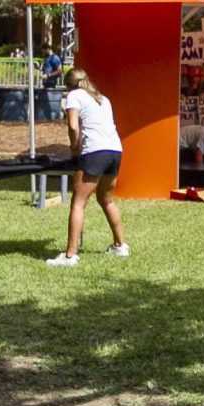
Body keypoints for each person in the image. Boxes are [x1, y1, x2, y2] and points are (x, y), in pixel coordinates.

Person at [49, 70, 126, 267]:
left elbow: (73, 127)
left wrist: (74, 148)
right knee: (106, 199)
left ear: (68, 85)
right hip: (115, 151)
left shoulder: (74, 96)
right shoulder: (103, 98)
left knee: (78, 203)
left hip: (95, 152)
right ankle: (120, 246)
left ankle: (70, 256)